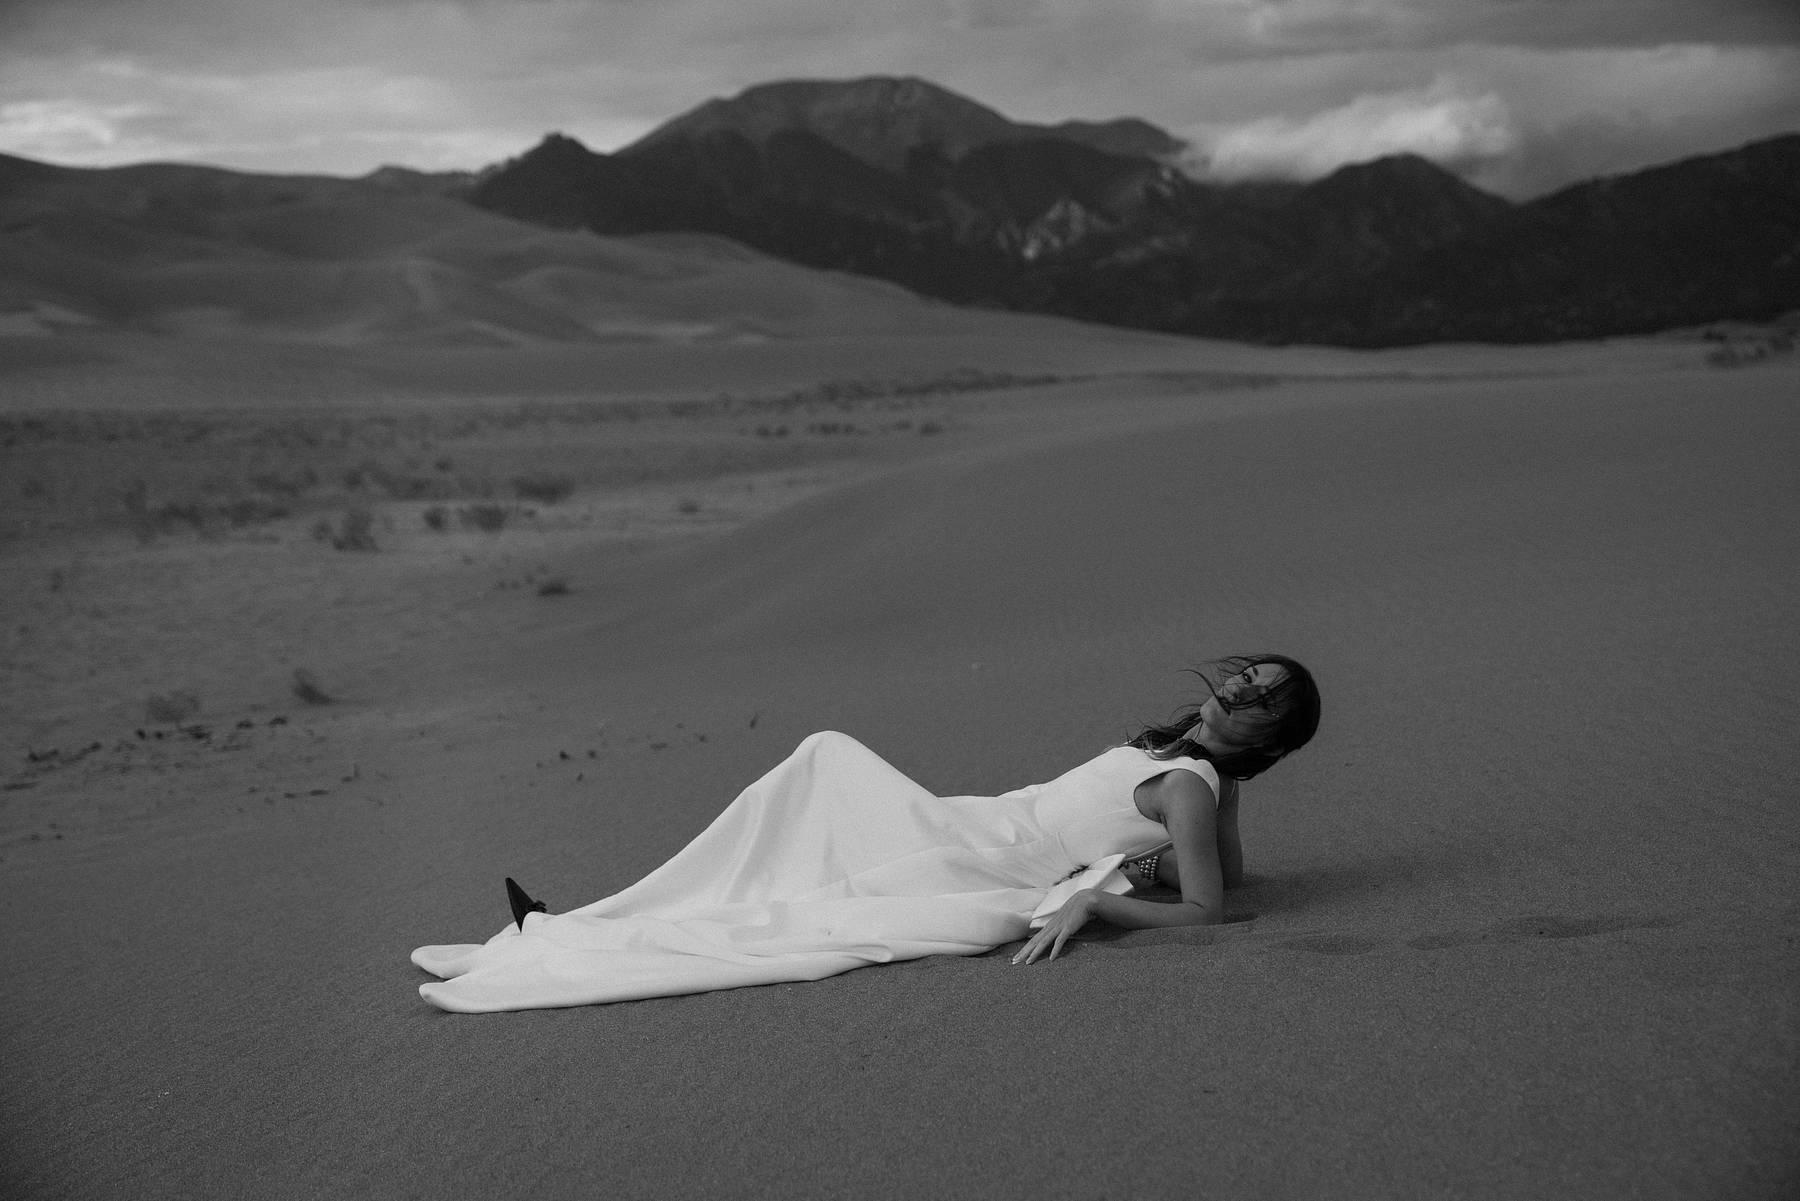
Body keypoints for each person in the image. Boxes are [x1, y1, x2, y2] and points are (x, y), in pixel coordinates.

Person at [411, 655, 1320, 1012]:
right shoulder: (1194, 770)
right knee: (800, 827)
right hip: (981, 818)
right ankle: (568, 927)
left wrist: (1098, 902)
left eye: (1259, 701)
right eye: (1246, 677)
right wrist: (1196, 820)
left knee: (812, 818)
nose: (1237, 689)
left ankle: (565, 941)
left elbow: (1211, 910)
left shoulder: (1190, 786)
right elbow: (1228, 875)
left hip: (994, 855)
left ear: (1271, 738)